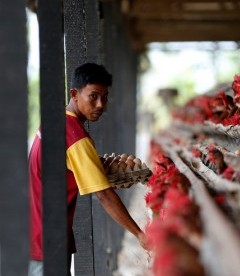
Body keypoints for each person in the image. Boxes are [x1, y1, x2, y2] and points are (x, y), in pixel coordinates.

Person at [28, 63, 149, 276]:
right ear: (74, 94)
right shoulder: (76, 137)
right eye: (93, 96)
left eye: (105, 96)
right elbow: (103, 195)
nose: (101, 104)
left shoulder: (54, 121)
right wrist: (140, 234)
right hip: (46, 243)